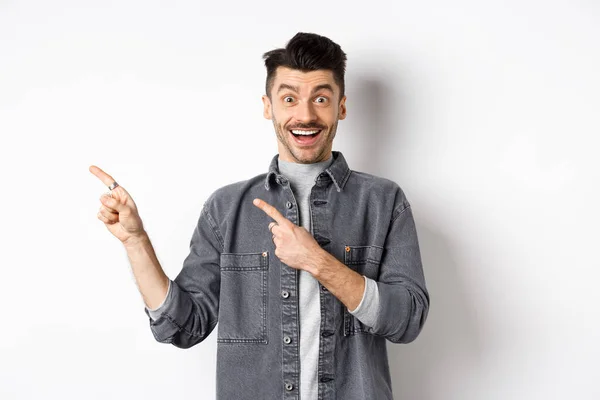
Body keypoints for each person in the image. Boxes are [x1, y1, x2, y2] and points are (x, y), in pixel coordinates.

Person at [90, 32, 429, 400]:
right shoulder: (226, 208)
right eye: (289, 99)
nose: (305, 115)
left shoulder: (383, 202)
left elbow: (407, 320)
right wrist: (136, 242)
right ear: (268, 106)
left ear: (341, 107)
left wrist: (317, 261)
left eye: (320, 98)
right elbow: (183, 327)